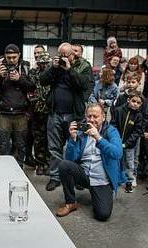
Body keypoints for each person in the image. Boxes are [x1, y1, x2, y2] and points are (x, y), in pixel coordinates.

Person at [56, 103, 125, 221]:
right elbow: (70, 159)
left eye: (95, 116)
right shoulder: (81, 132)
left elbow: (117, 153)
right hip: (85, 175)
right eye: (89, 116)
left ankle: (99, 195)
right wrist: (73, 139)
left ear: (103, 117)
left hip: (102, 180)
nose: (91, 120)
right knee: (64, 165)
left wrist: (99, 138)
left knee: (103, 215)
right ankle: (70, 202)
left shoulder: (111, 131)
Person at [39, 42, 92, 191]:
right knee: (54, 147)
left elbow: (84, 84)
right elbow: (43, 81)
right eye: (60, 55)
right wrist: (53, 68)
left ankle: (76, 177)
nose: (63, 58)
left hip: (74, 115)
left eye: (66, 55)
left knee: (74, 147)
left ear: (73, 55)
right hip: (55, 113)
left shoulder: (83, 66)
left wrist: (69, 70)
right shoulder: (55, 67)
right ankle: (55, 177)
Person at [0, 43, 36, 167]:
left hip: (21, 113)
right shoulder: (0, 68)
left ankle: (19, 170)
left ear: (19, 55)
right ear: (5, 56)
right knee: (2, 146)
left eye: (14, 57)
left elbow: (32, 87)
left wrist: (19, 79)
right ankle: (2, 171)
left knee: (20, 146)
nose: (11, 60)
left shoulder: (25, 68)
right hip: (3, 113)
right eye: (9, 57)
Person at [111, 91, 144, 192]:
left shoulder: (139, 116)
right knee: (117, 161)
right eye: (133, 101)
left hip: (129, 145)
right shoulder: (118, 111)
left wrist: (126, 143)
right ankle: (117, 178)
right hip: (117, 143)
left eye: (138, 103)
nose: (135, 104)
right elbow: (113, 125)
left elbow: (137, 132)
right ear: (128, 100)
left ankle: (130, 181)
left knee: (130, 163)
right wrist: (116, 140)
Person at [28, 51, 52, 175]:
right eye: (42, 63)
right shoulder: (33, 72)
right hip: (37, 110)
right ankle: (39, 163)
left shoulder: (53, 73)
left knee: (49, 138)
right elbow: (30, 88)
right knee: (38, 138)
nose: (44, 65)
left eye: (47, 63)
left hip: (50, 110)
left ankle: (48, 163)